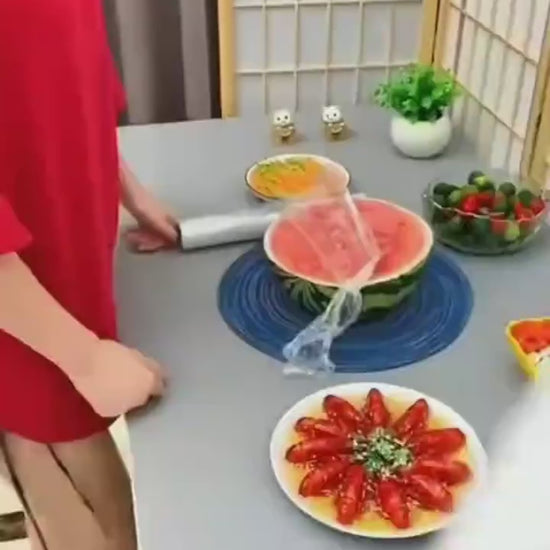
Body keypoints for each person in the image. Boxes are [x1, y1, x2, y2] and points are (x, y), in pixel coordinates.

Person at [0, 1, 178, 548]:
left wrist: (127, 188)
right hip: (24, 318)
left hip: (68, 269)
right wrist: (82, 356)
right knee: (99, 524)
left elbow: (64, 67)